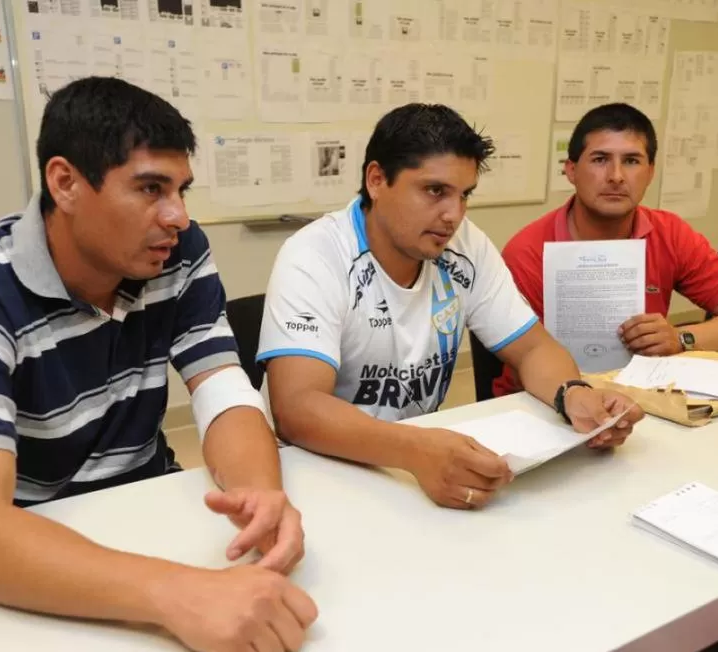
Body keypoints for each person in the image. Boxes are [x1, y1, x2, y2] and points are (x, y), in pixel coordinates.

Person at [0, 77, 316, 652]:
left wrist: (260, 494)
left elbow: (222, 386)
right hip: (35, 553)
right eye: (150, 188)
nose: (177, 216)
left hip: (148, 511)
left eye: (181, 189)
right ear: (65, 183)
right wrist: (178, 595)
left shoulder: (176, 251)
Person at [256, 103, 644, 511]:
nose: (453, 215)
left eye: (464, 195)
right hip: (317, 468)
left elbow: (532, 347)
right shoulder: (314, 254)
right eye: (434, 191)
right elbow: (297, 407)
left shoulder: (464, 245)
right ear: (376, 180)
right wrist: (415, 450)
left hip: (411, 464)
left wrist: (573, 394)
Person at [494, 103, 718, 397]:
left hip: (642, 393)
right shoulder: (527, 251)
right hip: (544, 400)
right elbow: (528, 361)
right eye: (600, 159)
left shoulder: (670, 234)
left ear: (650, 172)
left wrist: (682, 338)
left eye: (631, 161)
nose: (616, 176)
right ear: (571, 170)